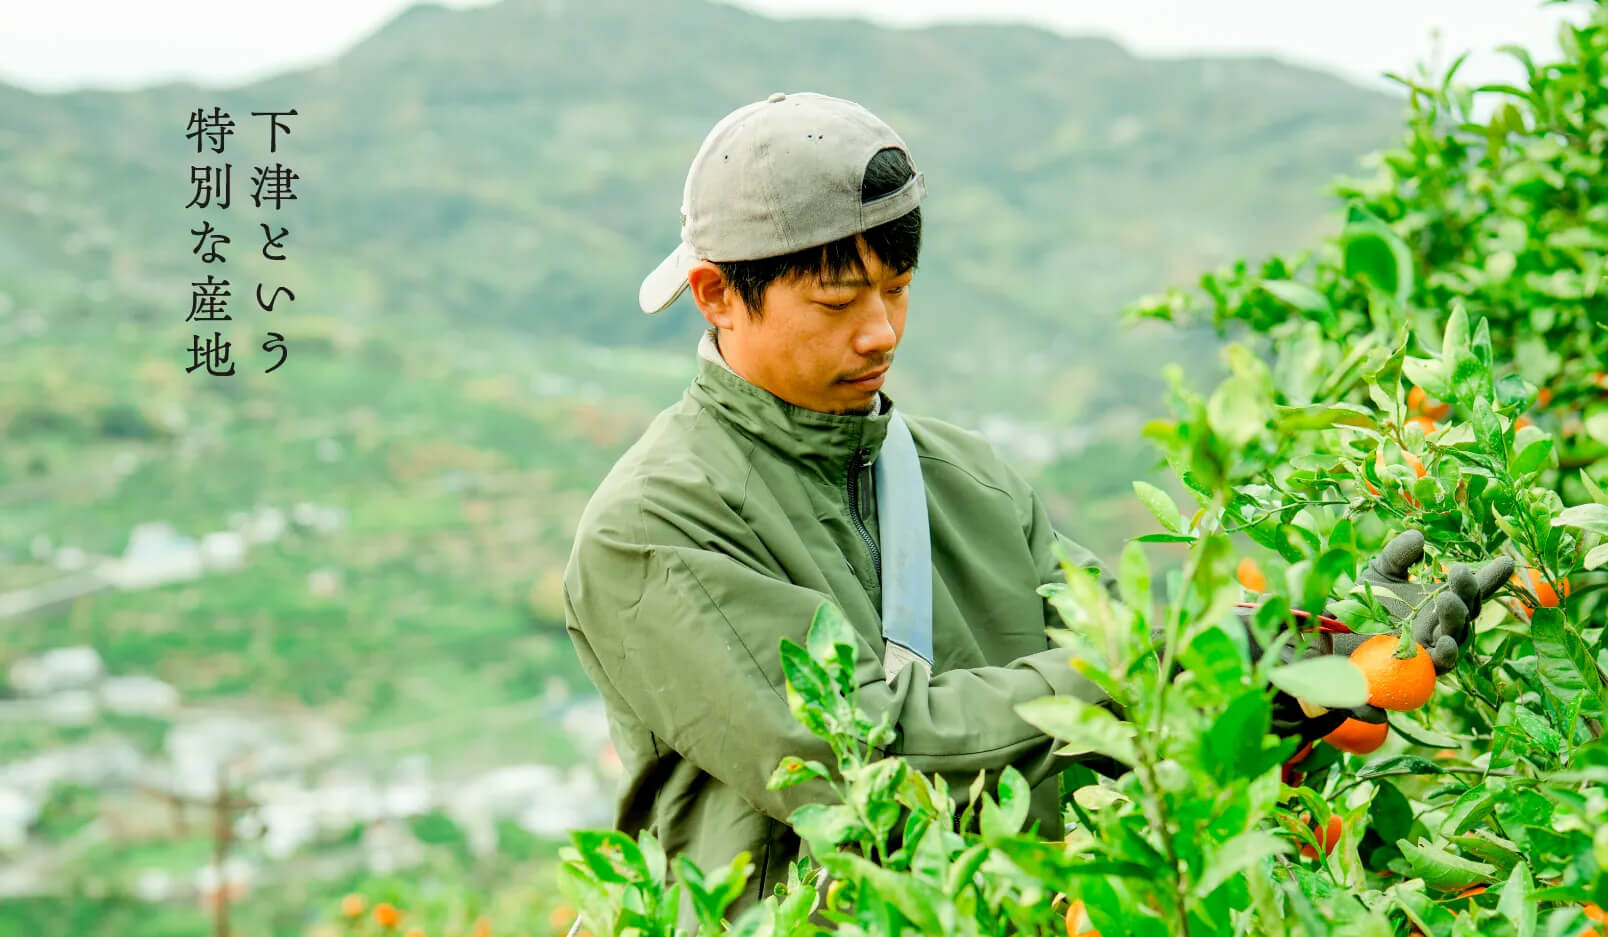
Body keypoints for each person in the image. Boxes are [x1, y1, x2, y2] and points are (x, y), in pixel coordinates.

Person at [561, 91, 1512, 928]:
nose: (881, 331)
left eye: (897, 290)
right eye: (838, 299)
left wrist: (1318, 664)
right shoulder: (652, 527)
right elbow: (867, 759)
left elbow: (1127, 702)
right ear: (717, 294)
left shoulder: (961, 476)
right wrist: (1184, 651)